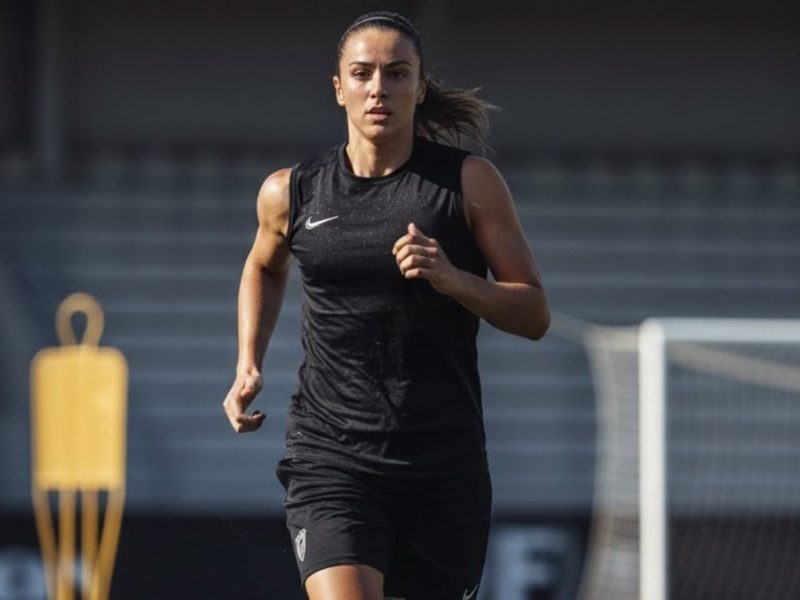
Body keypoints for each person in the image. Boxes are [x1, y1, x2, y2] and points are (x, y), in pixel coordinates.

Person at [222, 11, 549, 600]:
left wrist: (453, 280)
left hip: (442, 468)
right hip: (330, 458)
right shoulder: (290, 191)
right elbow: (264, 266)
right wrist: (249, 362)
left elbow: (534, 314)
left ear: (419, 88)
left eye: (397, 74)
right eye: (363, 73)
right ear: (338, 87)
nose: (379, 88)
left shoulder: (468, 184)